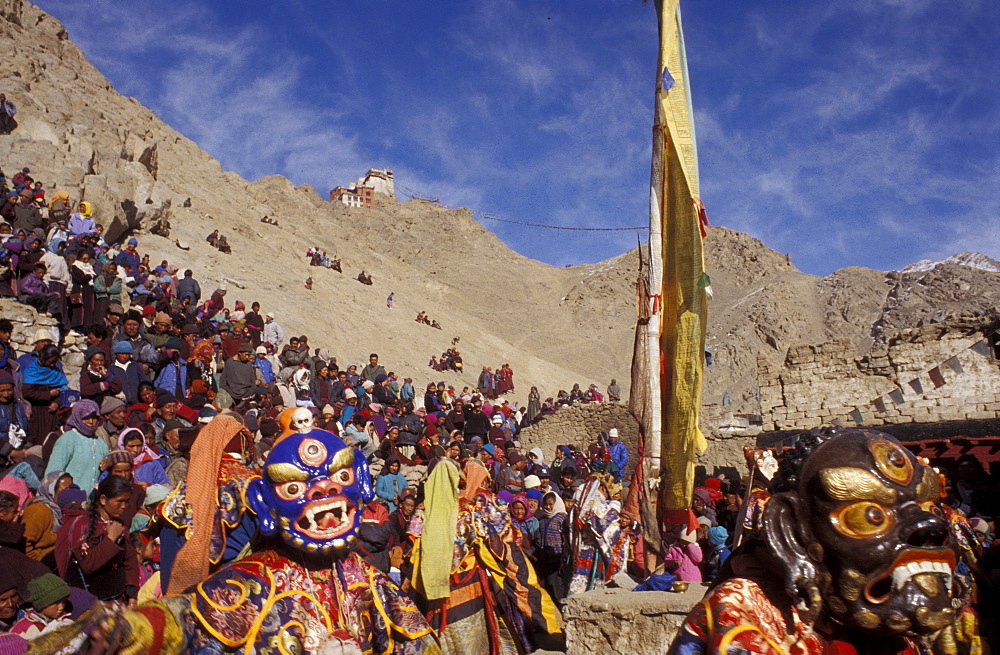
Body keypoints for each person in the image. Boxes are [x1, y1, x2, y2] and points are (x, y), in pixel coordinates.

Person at [56, 475, 139, 603]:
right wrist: (111, 538)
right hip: (86, 602)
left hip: (116, 599)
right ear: (103, 499)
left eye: (127, 501)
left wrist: (132, 596)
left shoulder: (119, 526)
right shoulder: (81, 526)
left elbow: (130, 562)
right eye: (119, 501)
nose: (124, 506)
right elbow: (88, 564)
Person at [46, 399, 108, 492]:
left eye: (94, 417)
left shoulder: (100, 443)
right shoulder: (68, 439)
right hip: (71, 501)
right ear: (77, 417)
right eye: (86, 417)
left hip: (93, 502)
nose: (91, 421)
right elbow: (53, 473)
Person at [9, 573, 72, 639]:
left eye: (63, 602)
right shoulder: (24, 629)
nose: (61, 607)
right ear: (41, 604)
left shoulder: (67, 621)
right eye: (55, 603)